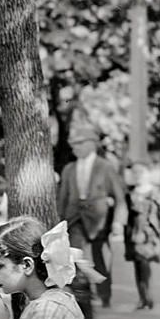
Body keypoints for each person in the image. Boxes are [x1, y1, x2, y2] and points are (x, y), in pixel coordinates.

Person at [57, 126, 124, 307]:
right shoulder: (69, 168)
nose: (74, 148)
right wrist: (59, 222)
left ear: (92, 145)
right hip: (74, 219)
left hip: (99, 221)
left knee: (100, 257)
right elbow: (62, 197)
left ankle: (104, 295)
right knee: (75, 257)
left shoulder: (106, 167)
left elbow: (120, 198)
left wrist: (118, 222)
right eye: (72, 145)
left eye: (79, 144)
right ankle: (82, 297)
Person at [124, 163, 160, 312]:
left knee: (144, 264)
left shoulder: (155, 192)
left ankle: (146, 298)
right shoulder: (130, 193)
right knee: (138, 266)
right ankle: (143, 298)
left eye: (140, 172)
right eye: (134, 173)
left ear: (147, 174)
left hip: (149, 233)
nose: (137, 175)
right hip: (134, 233)